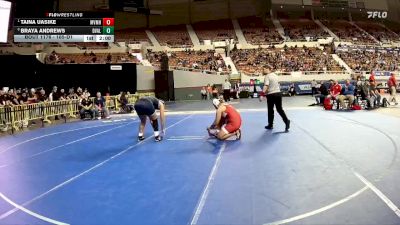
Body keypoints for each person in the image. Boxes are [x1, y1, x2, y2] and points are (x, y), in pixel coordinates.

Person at [263, 66, 290, 132]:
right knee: (280, 109)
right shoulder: (275, 75)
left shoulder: (267, 76)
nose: (263, 70)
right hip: (278, 93)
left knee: (270, 110)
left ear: (268, 69)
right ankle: (286, 121)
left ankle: (270, 125)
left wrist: (262, 94)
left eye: (264, 69)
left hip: (271, 94)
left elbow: (266, 85)